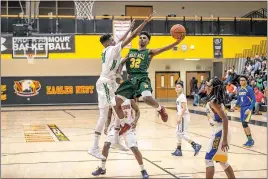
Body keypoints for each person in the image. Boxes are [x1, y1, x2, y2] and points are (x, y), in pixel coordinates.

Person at [88, 13, 154, 160]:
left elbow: (122, 38)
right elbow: (130, 37)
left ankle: (116, 139)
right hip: (105, 82)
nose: (114, 41)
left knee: (115, 105)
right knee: (112, 107)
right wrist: (142, 23)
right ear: (106, 43)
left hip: (109, 82)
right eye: (111, 40)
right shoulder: (112, 49)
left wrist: (129, 27)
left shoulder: (108, 49)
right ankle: (94, 146)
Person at [112, 30, 186, 146]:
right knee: (115, 103)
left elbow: (164, 48)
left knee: (146, 98)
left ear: (148, 41)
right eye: (140, 37)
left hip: (142, 78)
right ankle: (125, 124)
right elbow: (121, 63)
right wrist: (120, 69)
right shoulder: (130, 52)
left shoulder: (149, 52)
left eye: (144, 38)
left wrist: (176, 43)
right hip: (130, 79)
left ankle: (160, 109)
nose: (141, 39)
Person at [91, 99, 149, 179]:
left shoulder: (129, 99)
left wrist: (135, 121)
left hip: (128, 127)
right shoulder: (112, 100)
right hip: (116, 127)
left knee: (134, 148)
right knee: (106, 144)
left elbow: (137, 111)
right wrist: (107, 126)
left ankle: (143, 170)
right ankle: (102, 168)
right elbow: (108, 117)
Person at [205, 78, 236, 179]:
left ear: (214, 88)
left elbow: (225, 119)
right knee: (222, 161)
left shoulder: (214, 101)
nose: (206, 87)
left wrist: (225, 140)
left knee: (208, 159)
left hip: (220, 132)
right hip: (219, 130)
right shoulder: (214, 99)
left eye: (209, 86)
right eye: (206, 85)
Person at [171, 81, 202, 156]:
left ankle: (195, 145)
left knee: (181, 133)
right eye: (176, 87)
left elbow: (184, 108)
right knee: (177, 132)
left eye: (179, 87)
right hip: (181, 116)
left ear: (182, 88)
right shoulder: (179, 97)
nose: (177, 88)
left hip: (183, 117)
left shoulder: (182, 96)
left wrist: (179, 117)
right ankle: (178, 149)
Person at [231, 75, 256, 147]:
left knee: (245, 124)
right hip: (242, 109)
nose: (241, 81)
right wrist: (235, 104)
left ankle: (251, 140)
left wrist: (250, 109)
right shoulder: (240, 89)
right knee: (243, 125)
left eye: (243, 80)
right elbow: (238, 99)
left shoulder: (249, 89)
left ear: (246, 81)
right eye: (240, 80)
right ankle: (249, 140)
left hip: (247, 108)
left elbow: (254, 100)